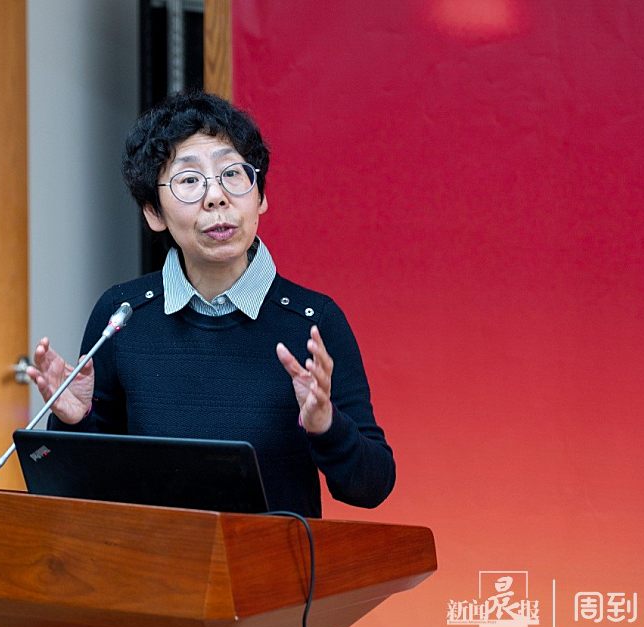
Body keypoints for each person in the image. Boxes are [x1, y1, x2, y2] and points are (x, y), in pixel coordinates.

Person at [27, 91, 394, 517]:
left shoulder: (312, 322)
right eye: (189, 181)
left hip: (274, 559)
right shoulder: (122, 315)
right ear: (153, 213)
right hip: (156, 557)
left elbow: (372, 486)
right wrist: (75, 422)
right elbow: (76, 493)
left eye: (232, 174)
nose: (216, 197)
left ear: (260, 196)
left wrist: (326, 425)